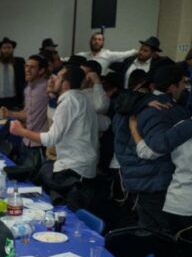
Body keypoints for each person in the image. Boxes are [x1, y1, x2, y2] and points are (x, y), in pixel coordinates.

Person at [114, 64, 191, 231]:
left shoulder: (134, 104)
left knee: (146, 230)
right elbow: (158, 146)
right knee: (156, 234)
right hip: (154, 181)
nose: (185, 88)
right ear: (172, 86)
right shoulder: (167, 109)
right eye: (183, 83)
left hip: (134, 177)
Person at [10, 65, 99, 210]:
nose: (53, 81)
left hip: (73, 169)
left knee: (62, 211)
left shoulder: (68, 102)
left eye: (57, 78)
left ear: (65, 84)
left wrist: (20, 131)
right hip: (82, 167)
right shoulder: (84, 99)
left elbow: (50, 139)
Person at [0, 54, 50, 170]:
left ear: (41, 70)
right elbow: (27, 114)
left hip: (39, 144)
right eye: (26, 66)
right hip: (25, 141)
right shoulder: (27, 88)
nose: (27, 70)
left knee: (33, 179)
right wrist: (9, 113)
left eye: (32, 67)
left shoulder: (47, 87)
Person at [0, 37, 26, 113]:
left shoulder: (19, 62)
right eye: (4, 48)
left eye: (9, 48)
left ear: (12, 49)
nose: (7, 51)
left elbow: (24, 81)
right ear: (0, 49)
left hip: (14, 100)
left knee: (14, 119)